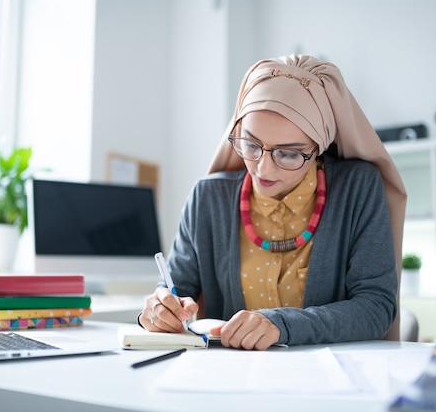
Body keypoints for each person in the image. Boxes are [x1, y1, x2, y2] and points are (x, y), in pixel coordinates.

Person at [139, 54, 407, 350]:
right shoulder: (207, 198)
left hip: (330, 381)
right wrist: (160, 310)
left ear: (319, 148)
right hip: (229, 379)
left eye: (289, 154)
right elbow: (176, 291)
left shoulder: (358, 188)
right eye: (251, 144)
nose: (263, 170)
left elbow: (376, 307)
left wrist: (282, 325)